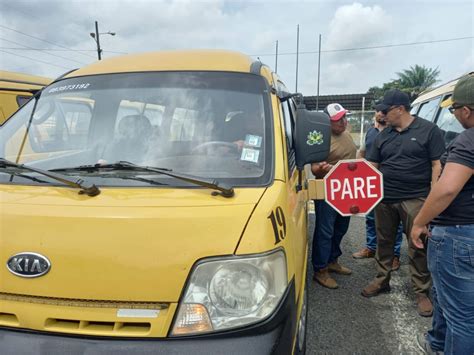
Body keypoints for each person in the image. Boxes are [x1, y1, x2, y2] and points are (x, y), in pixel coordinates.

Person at [361, 89, 445, 318]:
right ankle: (381, 280)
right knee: (384, 241)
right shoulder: (382, 135)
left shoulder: (429, 130)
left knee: (418, 244)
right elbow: (371, 167)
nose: (381, 114)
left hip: (416, 198)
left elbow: (437, 164)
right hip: (384, 198)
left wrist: (433, 196)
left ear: (400, 109)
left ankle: (421, 292)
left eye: (385, 110)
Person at [411, 73, 474, 354]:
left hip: (459, 236)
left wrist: (420, 221)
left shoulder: (467, 141)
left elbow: (447, 190)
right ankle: (437, 342)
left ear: (466, 111)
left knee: (462, 318)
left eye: (453, 109)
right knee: (451, 300)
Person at [312, 103, 357, 289]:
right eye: (338, 120)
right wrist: (324, 168)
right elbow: (314, 169)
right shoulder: (318, 138)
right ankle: (320, 270)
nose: (344, 122)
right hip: (327, 191)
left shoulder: (346, 134)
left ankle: (332, 261)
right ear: (327, 122)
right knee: (325, 231)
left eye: (345, 118)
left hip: (346, 190)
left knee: (340, 227)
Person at [353, 109, 404, 271]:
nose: (381, 114)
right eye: (378, 111)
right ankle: (371, 247)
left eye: (384, 111)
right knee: (370, 217)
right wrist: (357, 173)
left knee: (395, 222)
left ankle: (394, 255)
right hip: (371, 184)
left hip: (391, 184)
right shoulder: (370, 132)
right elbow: (362, 152)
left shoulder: (395, 132)